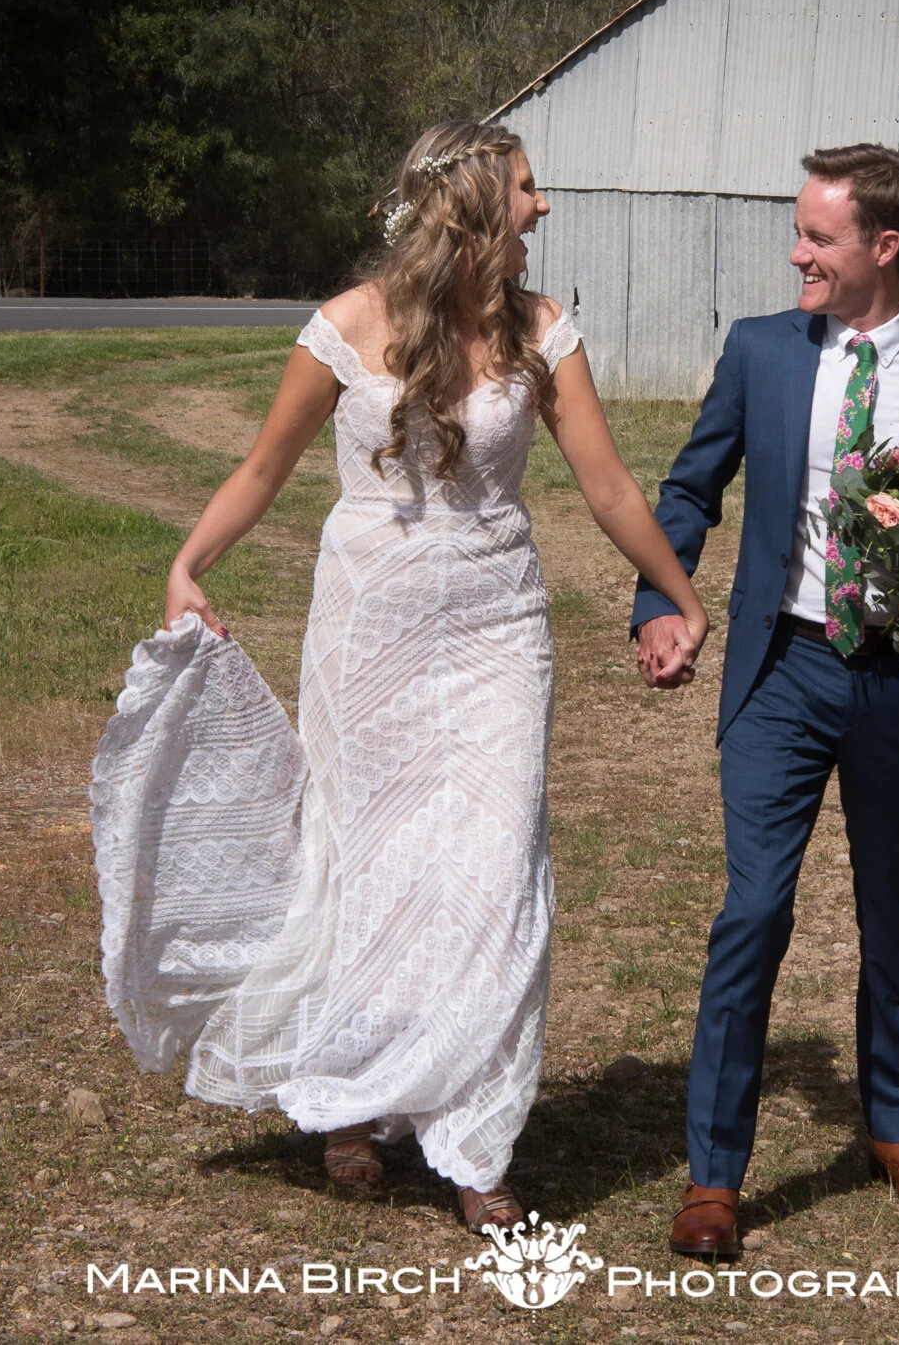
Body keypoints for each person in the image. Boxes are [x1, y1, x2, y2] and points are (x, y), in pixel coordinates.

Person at [92, 120, 712, 1233]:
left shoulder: (543, 331)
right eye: (528, 188)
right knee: (365, 851)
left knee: (492, 855)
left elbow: (611, 486)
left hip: (496, 624)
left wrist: (674, 588)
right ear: (474, 204)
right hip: (369, 623)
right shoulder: (344, 325)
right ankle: (352, 1096)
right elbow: (263, 465)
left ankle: (476, 1139)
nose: (544, 206)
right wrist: (187, 562)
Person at [629, 144, 899, 1258]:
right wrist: (660, 597)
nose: (796, 251)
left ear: (882, 248)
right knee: (754, 911)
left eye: (817, 236)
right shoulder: (760, 351)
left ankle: (898, 1127)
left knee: (894, 908)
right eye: (798, 231)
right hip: (779, 671)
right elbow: (689, 485)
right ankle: (713, 1172)